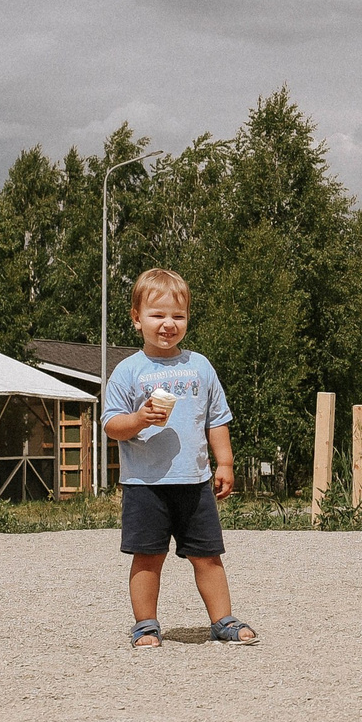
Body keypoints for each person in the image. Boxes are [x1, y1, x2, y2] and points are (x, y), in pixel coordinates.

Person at [102, 267, 257, 649]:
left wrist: (225, 463)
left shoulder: (200, 366)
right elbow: (111, 425)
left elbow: (216, 419)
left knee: (208, 557)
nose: (168, 324)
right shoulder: (128, 371)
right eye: (157, 315)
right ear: (136, 319)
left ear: (187, 318)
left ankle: (222, 620)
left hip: (194, 481)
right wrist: (138, 418)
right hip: (145, 485)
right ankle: (145, 625)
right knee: (148, 557)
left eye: (178, 316)